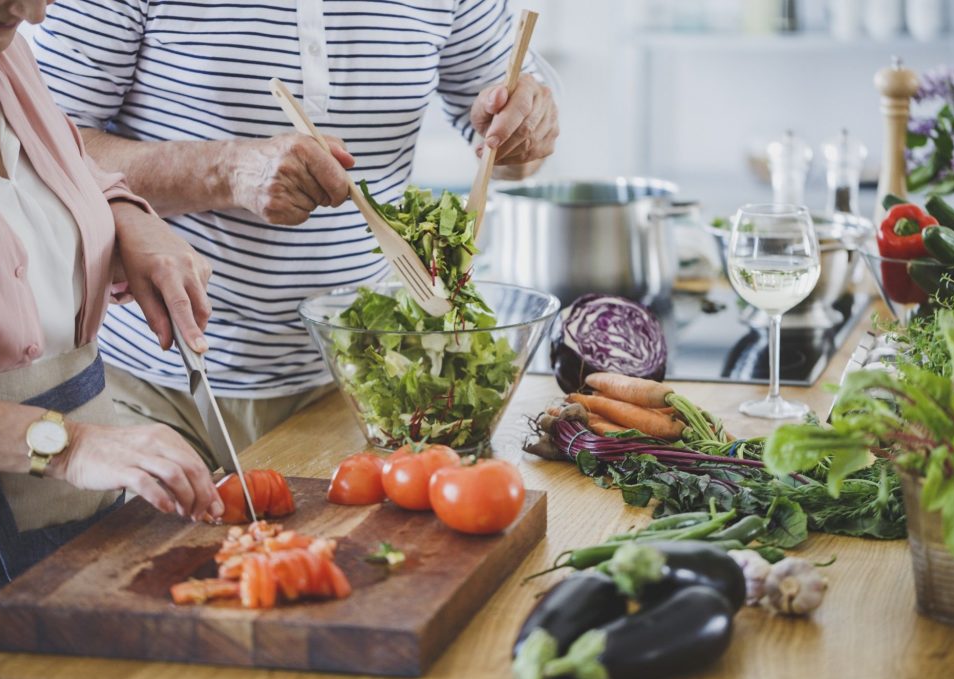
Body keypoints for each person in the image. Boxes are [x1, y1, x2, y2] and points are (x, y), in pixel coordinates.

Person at [32, 0, 559, 468]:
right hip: (155, 386)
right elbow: (32, 145)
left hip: (360, 388)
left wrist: (524, 131)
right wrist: (226, 170)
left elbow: (508, 150)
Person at [0, 0, 223, 596]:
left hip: (75, 522)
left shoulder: (4, 54)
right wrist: (70, 445)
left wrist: (125, 217)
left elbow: (66, 168)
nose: (35, 12)